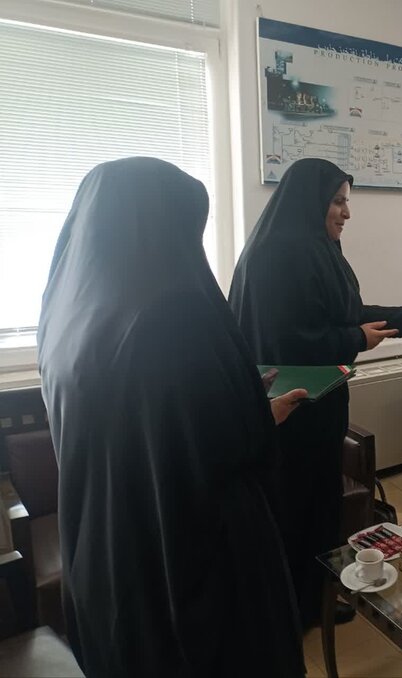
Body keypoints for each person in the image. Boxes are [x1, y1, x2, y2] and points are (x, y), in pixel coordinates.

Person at [38, 157, 309, 676]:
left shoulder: (64, 310)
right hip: (186, 556)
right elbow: (219, 448)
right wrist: (256, 412)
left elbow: (140, 415)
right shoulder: (175, 309)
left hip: (101, 544)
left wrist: (228, 392)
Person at [228, 157, 402, 628]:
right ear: (311, 200)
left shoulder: (316, 248)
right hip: (292, 412)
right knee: (295, 510)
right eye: (338, 201)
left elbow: (345, 312)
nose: (347, 212)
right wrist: (356, 339)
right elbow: (287, 341)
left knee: (320, 506)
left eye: (347, 201)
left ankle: (314, 598)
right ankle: (294, 611)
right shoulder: (277, 255)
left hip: (319, 407)